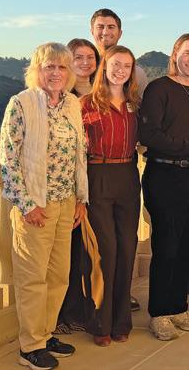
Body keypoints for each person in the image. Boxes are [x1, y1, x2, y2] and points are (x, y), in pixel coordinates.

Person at [0, 42, 88, 370]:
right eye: (49, 66)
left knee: (58, 276)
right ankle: (30, 347)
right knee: (32, 279)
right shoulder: (21, 103)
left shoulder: (72, 105)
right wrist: (26, 205)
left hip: (65, 203)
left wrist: (81, 198)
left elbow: (79, 154)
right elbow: (9, 158)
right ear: (36, 70)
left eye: (62, 67)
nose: (55, 73)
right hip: (35, 204)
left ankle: (46, 333)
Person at [139, 33, 189, 340]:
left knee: (188, 245)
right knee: (167, 246)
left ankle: (178, 306)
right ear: (175, 53)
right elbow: (150, 135)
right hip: (164, 176)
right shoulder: (159, 88)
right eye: (188, 53)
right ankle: (159, 313)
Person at [81, 45, 141, 345]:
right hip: (98, 175)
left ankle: (121, 321)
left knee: (127, 249)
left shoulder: (135, 105)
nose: (120, 70)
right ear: (104, 66)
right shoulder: (85, 104)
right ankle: (100, 323)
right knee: (105, 251)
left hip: (128, 175)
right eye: (116, 64)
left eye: (127, 66)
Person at [52, 39, 99, 336]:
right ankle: (60, 314)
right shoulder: (60, 95)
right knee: (65, 251)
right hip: (68, 183)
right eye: (77, 57)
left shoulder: (102, 93)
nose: (84, 62)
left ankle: (81, 308)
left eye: (89, 57)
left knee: (88, 252)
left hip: (99, 178)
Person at [90, 8, 149, 96]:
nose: (105, 32)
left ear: (120, 33)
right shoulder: (83, 68)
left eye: (111, 27)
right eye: (100, 27)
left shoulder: (137, 74)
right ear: (92, 32)